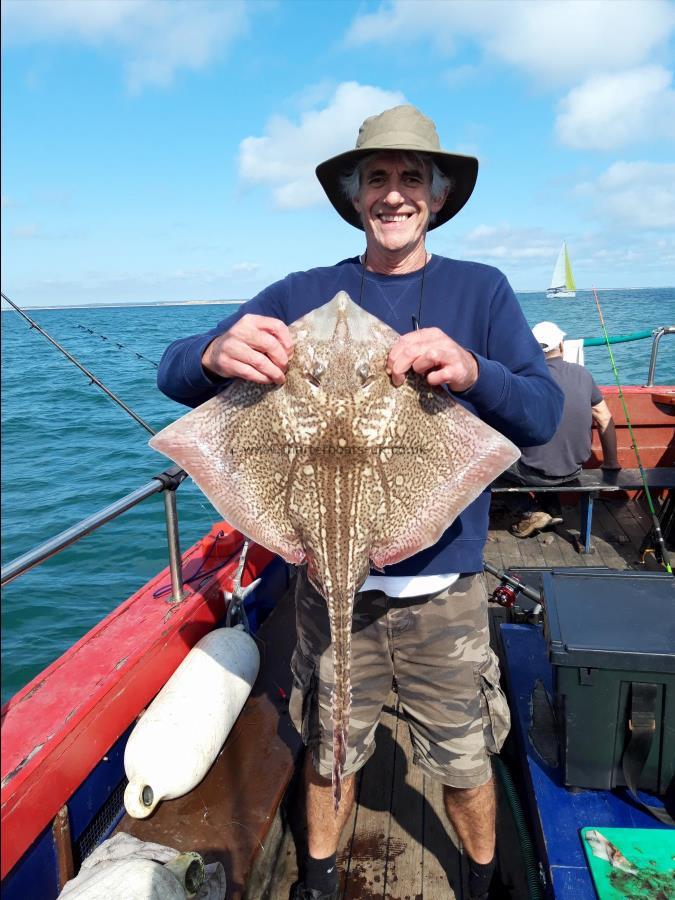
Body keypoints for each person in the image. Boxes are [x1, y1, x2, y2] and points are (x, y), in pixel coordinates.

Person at [157, 105, 564, 900]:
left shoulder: (479, 290)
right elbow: (176, 373)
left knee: (462, 753)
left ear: (437, 196)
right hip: (322, 580)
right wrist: (210, 353)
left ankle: (479, 882)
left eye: (411, 177)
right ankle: (316, 881)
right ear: (353, 196)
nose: (393, 193)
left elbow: (544, 417)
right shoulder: (302, 290)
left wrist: (472, 369)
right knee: (328, 743)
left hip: (442, 592)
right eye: (375, 177)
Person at [507, 320, 620, 538]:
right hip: (574, 469)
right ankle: (553, 510)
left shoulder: (523, 378)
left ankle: (530, 511)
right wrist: (611, 461)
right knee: (547, 458)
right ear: (562, 345)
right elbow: (604, 417)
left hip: (535, 472)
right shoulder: (583, 374)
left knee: (490, 469)